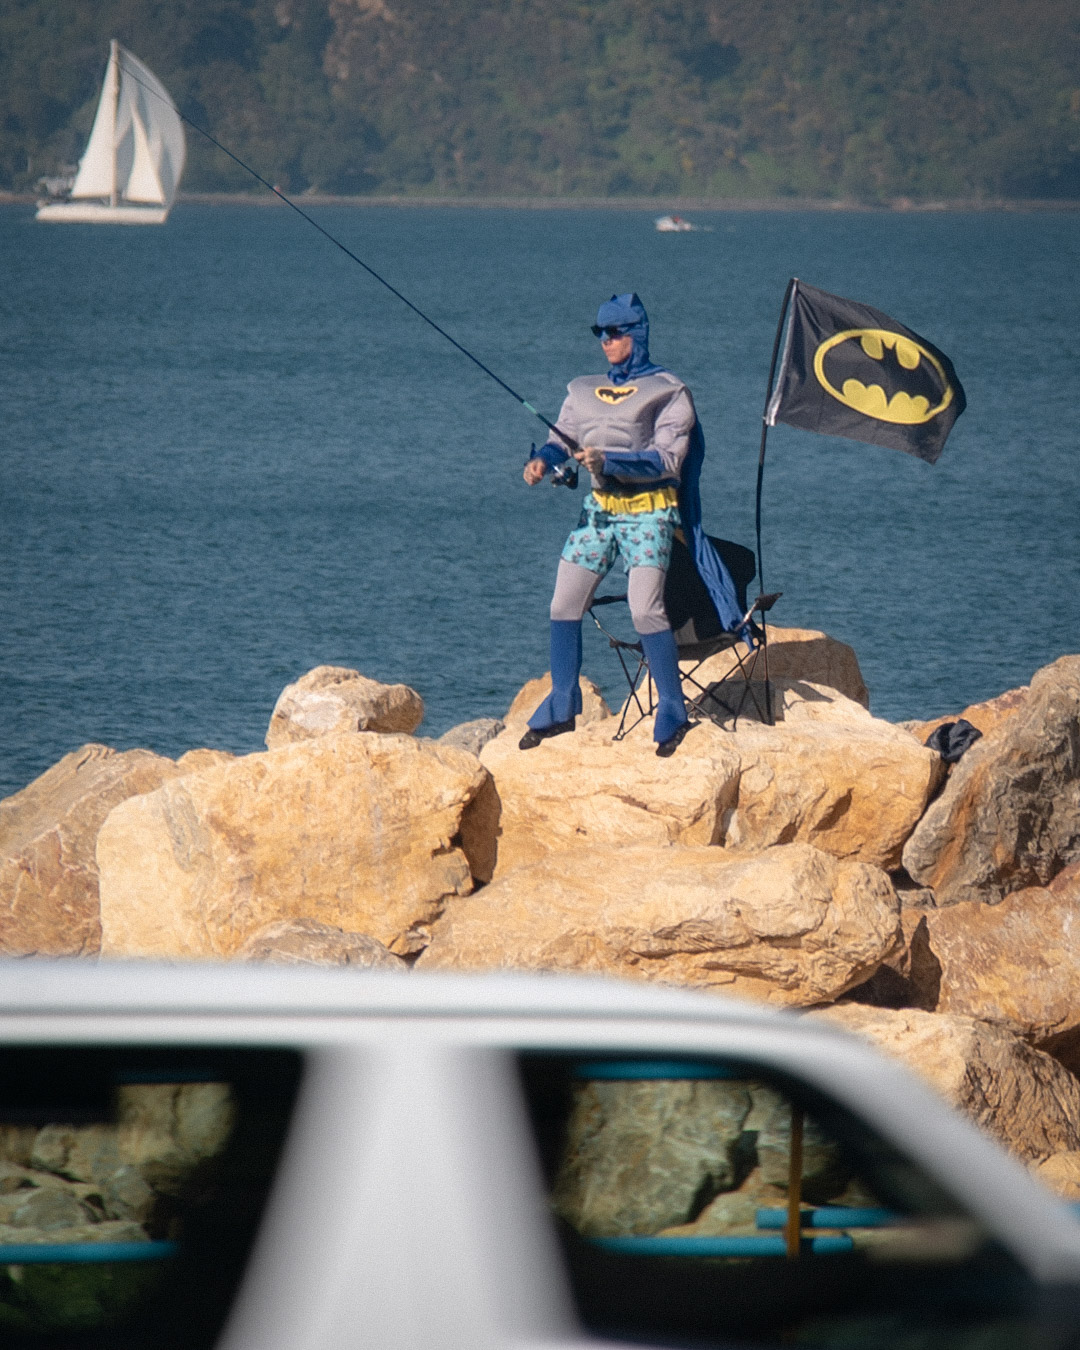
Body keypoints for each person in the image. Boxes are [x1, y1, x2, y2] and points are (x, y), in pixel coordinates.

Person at [521, 293, 743, 757]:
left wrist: (608, 458)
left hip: (649, 510)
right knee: (563, 602)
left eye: (616, 331)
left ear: (636, 334)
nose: (607, 340)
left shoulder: (669, 391)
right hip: (600, 509)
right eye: (600, 332)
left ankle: (672, 707)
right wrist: (543, 461)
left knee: (645, 609)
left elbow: (667, 460)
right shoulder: (582, 389)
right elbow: (561, 438)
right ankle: (563, 701)